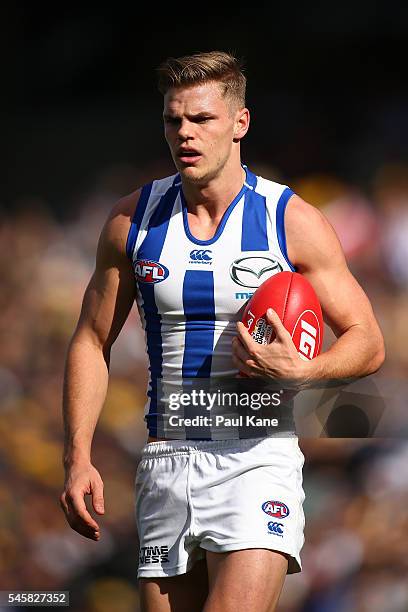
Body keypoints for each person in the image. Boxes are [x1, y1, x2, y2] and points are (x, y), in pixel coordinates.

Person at [60, 51, 385, 612]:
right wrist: (78, 455)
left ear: (240, 123)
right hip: (166, 459)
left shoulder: (291, 220)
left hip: (256, 457)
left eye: (202, 119)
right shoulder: (129, 222)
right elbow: (92, 339)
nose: (185, 133)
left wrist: (308, 370)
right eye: (173, 120)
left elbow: (368, 340)